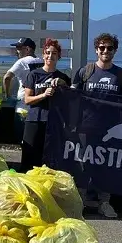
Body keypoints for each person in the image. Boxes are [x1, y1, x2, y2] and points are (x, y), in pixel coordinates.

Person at [71, 33, 122, 219]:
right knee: (82, 163)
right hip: (86, 126)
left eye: (110, 48)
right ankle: (79, 203)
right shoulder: (85, 71)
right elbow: (72, 99)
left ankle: (104, 202)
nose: (106, 51)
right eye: (102, 47)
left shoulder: (121, 75)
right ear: (96, 49)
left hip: (111, 129)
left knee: (106, 164)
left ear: (115, 50)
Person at [21, 39, 72, 172]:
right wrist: (43, 95)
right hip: (34, 120)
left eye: (54, 53)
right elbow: (27, 99)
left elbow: (69, 100)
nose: (50, 56)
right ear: (43, 55)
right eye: (47, 53)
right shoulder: (34, 74)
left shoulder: (63, 77)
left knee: (50, 159)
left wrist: (63, 84)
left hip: (54, 123)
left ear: (58, 56)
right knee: (29, 157)